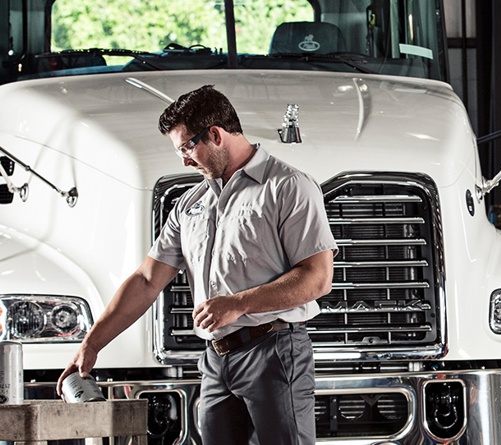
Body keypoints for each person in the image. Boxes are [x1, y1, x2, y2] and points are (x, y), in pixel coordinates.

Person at [56, 85, 337, 444]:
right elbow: (146, 280)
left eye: (187, 147)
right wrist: (91, 344)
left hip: (274, 351)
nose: (184, 160)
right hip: (217, 360)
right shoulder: (190, 204)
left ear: (216, 135)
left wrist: (237, 304)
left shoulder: (288, 187)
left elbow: (317, 279)